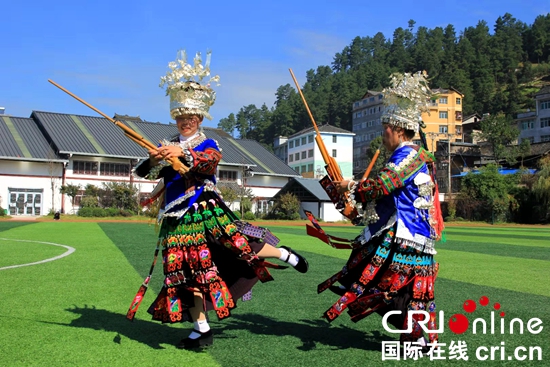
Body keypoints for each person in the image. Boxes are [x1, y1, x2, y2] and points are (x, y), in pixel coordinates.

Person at [126, 50, 308, 350]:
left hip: (204, 208)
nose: (186, 121)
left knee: (238, 246)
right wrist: (151, 159)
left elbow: (207, 164)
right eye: (182, 117)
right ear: (176, 116)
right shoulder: (166, 144)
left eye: (192, 117)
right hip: (175, 217)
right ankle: (201, 328)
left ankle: (283, 254)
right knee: (183, 273)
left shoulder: (208, 142)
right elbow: (145, 174)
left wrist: (180, 155)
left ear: (200, 118)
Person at [308, 71, 444, 351]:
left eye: (385, 128)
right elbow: (383, 196)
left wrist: (350, 184)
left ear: (397, 128)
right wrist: (352, 204)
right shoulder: (411, 156)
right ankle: (417, 335)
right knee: (387, 283)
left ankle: (417, 336)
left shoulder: (409, 155)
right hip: (406, 232)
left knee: (382, 283)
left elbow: (384, 185)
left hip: (407, 234)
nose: (383, 135)